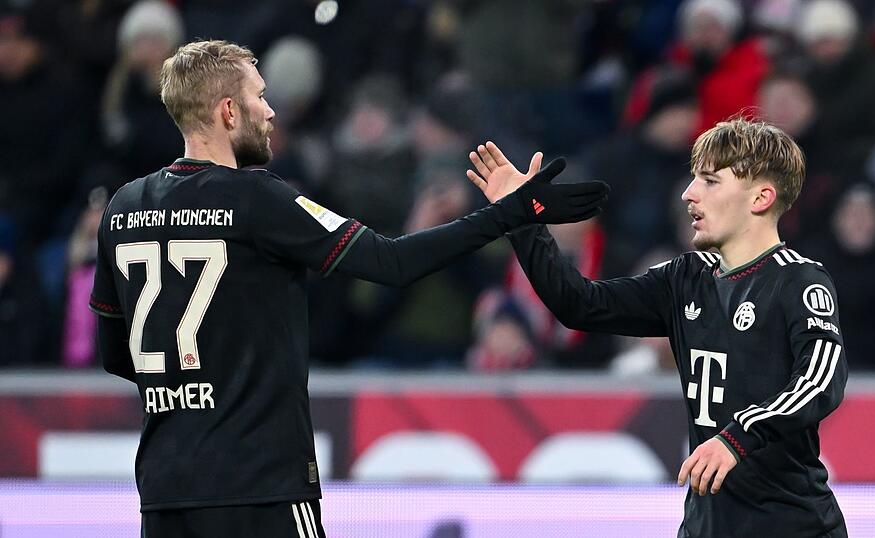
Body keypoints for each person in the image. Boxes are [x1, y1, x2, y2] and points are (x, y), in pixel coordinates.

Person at [89, 39, 607, 538]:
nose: (270, 112)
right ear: (228, 111)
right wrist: (508, 215)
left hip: (165, 490)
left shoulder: (124, 208)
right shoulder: (259, 199)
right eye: (259, 97)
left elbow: (116, 354)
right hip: (259, 485)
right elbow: (392, 261)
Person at [466, 122, 849, 537]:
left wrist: (738, 436)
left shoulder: (799, 280)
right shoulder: (684, 278)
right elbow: (579, 304)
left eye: (710, 181)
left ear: (760, 198)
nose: (689, 193)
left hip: (792, 527)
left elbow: (820, 379)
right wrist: (523, 219)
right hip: (706, 527)